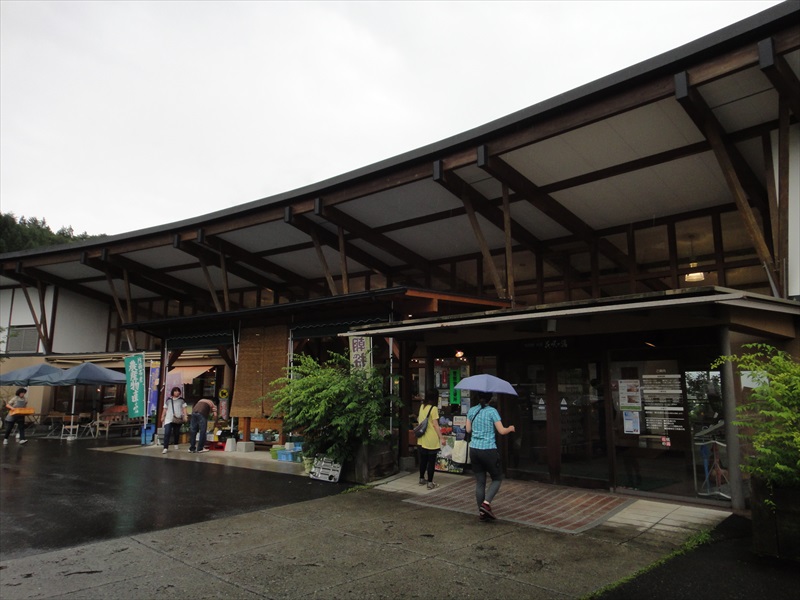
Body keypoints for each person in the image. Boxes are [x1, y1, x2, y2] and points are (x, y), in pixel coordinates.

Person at [466, 391, 515, 521]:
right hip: (488, 450)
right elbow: (501, 431)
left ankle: (481, 512)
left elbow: (468, 430)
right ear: (490, 398)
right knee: (497, 478)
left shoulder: (472, 410)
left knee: (480, 481)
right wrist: (510, 428)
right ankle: (486, 504)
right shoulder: (492, 411)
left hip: (474, 449)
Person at [417, 389, 444, 490]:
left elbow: (419, 420)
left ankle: (421, 478)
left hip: (422, 438)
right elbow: (435, 425)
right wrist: (441, 438)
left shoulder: (422, 407)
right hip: (431, 438)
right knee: (431, 461)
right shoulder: (434, 408)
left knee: (423, 460)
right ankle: (430, 482)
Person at [161, 387, 187, 454]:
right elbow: (165, 409)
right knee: (167, 433)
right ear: (172, 392)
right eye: (175, 391)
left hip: (177, 418)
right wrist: (162, 416)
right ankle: (165, 447)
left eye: (178, 391)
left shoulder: (181, 400)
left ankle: (176, 443)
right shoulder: (168, 400)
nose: (177, 392)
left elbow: (184, 408)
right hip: (168, 418)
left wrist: (185, 416)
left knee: (176, 432)